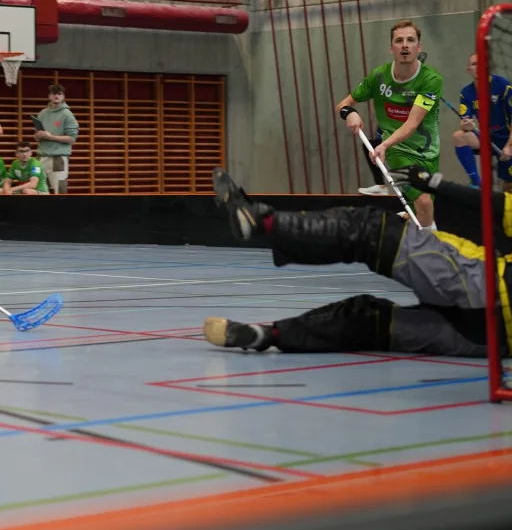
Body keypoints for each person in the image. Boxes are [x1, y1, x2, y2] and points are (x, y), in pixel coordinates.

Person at [203, 167, 511, 358]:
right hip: (487, 342)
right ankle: (269, 336)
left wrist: (437, 184)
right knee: (370, 322)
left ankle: (261, 221)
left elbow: (499, 205)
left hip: (486, 287)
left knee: (369, 231)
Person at [336, 20, 443, 229]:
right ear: (391, 47)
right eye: (399, 40)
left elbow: (412, 123)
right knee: (424, 202)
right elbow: (344, 104)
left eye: (411, 40)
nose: (405, 45)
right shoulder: (378, 77)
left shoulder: (432, 80)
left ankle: (406, 235)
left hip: (429, 153)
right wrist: (350, 113)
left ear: (418, 47)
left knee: (420, 212)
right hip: (396, 151)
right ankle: (434, 251)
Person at [452, 52, 512, 189]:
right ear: (468, 70)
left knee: (508, 187)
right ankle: (476, 182)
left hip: (507, 138)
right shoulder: (466, 92)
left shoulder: (502, 85)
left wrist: (509, 146)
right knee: (458, 136)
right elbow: (465, 121)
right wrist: (465, 125)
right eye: (473, 64)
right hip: (486, 138)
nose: (478, 67)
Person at [34, 84, 79, 194]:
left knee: (60, 190)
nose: (56, 96)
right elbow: (36, 135)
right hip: (42, 156)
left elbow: (71, 138)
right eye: (54, 94)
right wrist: (38, 136)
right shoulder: (42, 113)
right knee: (39, 189)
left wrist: (51, 137)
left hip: (58, 158)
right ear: (49, 96)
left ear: (63, 97)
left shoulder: (67, 114)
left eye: (59, 94)